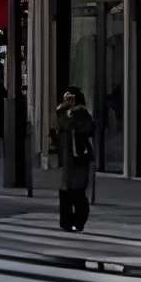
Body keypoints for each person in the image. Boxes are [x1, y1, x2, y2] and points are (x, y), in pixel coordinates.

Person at [51, 86, 97, 232]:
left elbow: (83, 128)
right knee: (65, 191)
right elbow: (58, 127)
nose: (67, 101)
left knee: (77, 192)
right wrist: (61, 110)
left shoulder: (82, 113)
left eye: (70, 98)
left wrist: (70, 115)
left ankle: (78, 221)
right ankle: (66, 222)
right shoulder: (64, 113)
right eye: (65, 98)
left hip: (78, 158)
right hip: (67, 159)